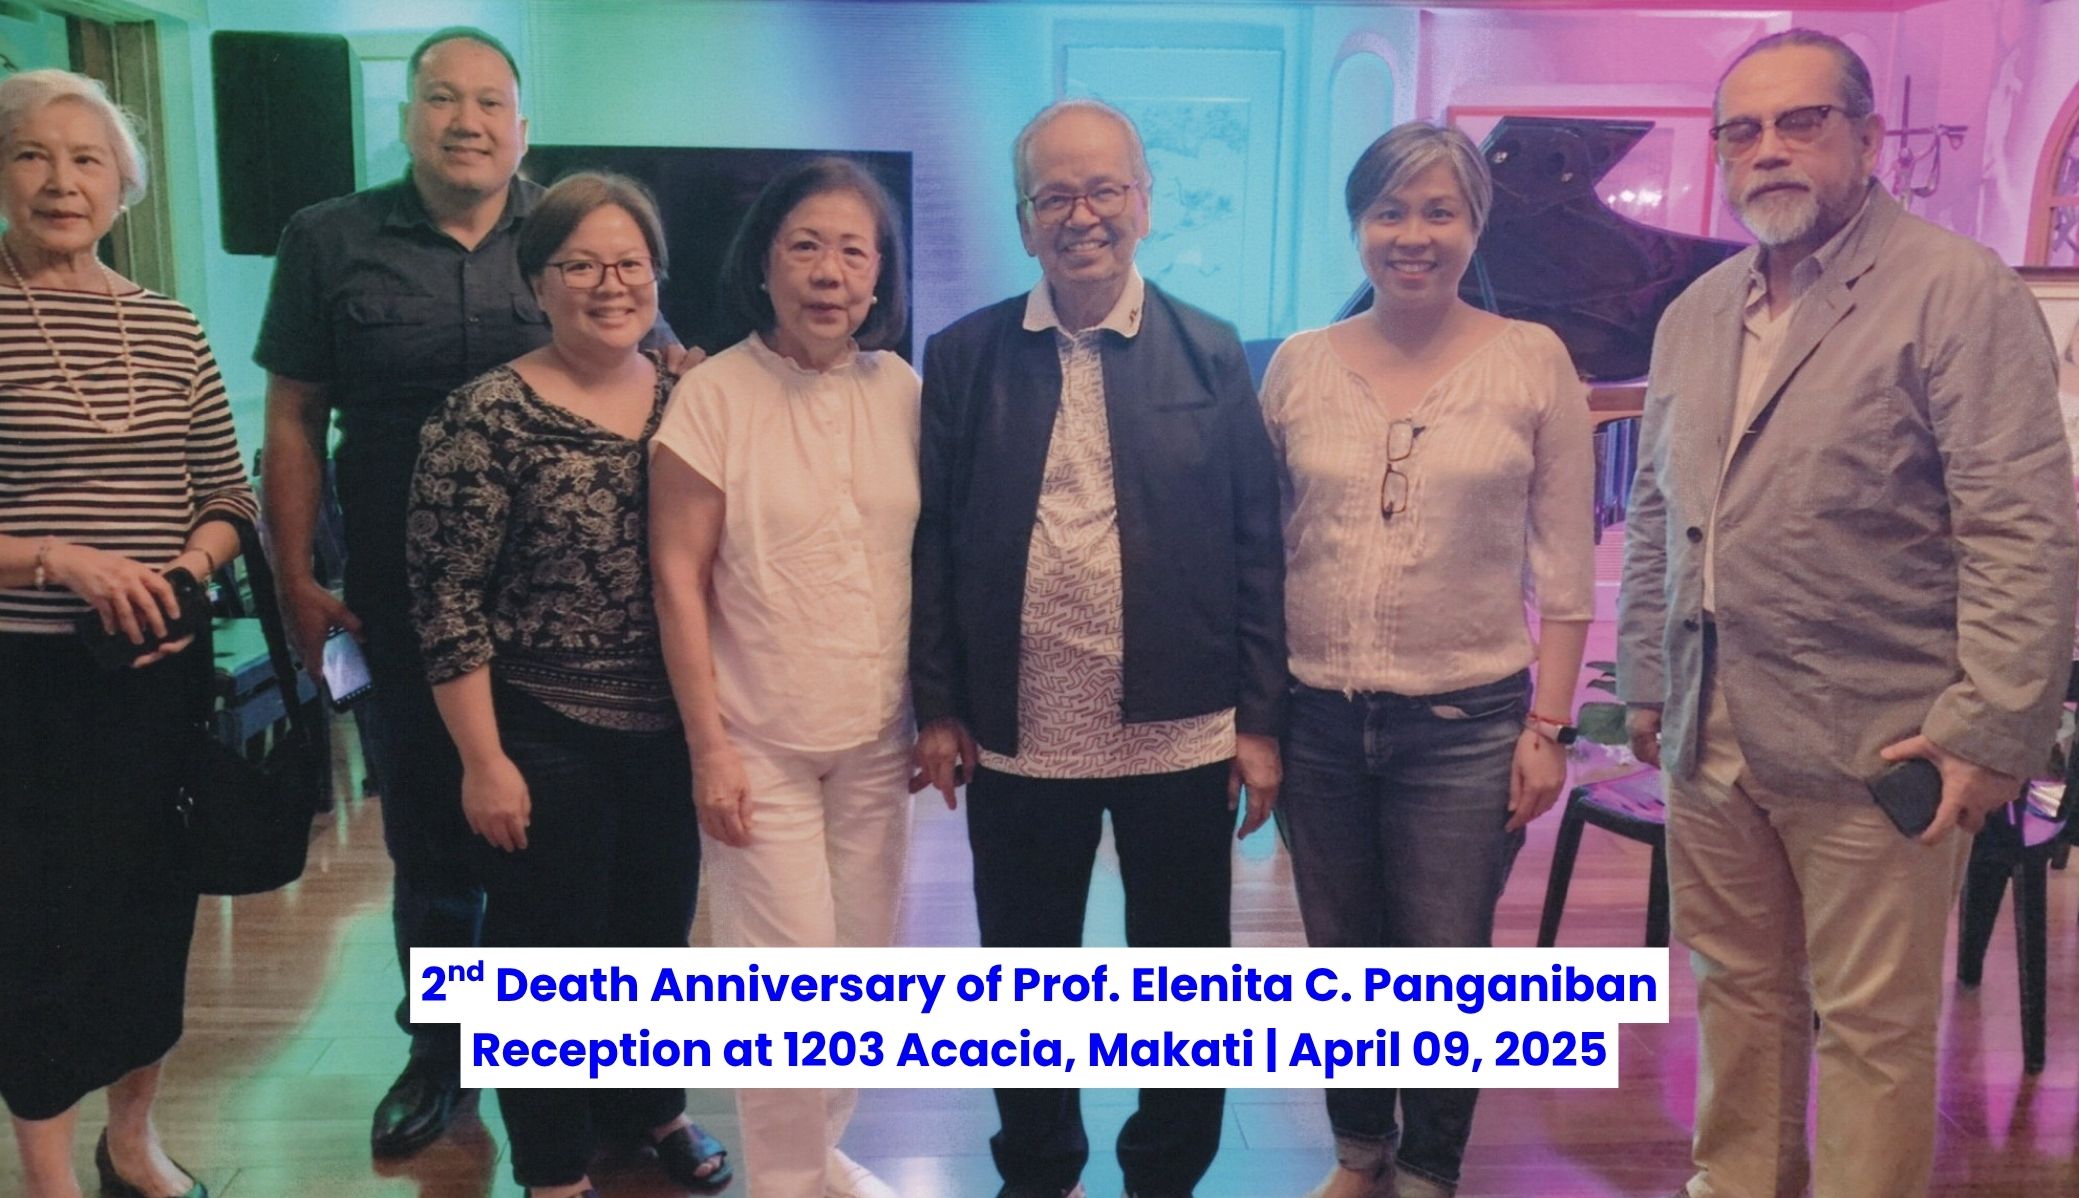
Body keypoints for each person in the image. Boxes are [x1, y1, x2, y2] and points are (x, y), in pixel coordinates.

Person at [1617, 29, 2079, 1198]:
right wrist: (1649, 680)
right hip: (1711, 728)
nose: (1768, 149)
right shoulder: (1695, 313)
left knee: (1872, 1031)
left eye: (1801, 122)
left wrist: (1992, 727)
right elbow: (1662, 511)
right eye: (1742, 131)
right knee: (1737, 991)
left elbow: (2022, 524)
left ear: (1868, 138)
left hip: (1881, 736)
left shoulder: (1954, 290)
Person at [254, 26, 688, 1158]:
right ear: (406, 116)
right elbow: (292, 417)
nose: (467, 121)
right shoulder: (328, 238)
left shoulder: (574, 233)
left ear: (521, 126)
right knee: (435, 833)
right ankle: (443, 1050)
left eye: (490, 102)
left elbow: (666, 367)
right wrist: (294, 575)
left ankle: (615, 1082)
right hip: (400, 597)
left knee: (577, 862)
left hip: (570, 615)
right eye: (442, 98)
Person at [909, 98, 1285, 1198]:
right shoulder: (965, 355)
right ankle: (1039, 1169)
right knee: (1023, 974)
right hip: (1019, 726)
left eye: (1104, 189)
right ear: (1024, 219)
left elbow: (1255, 542)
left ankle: (1165, 1174)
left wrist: (1260, 722)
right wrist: (939, 704)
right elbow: (933, 542)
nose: (1082, 215)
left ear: (1144, 203)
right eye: (1054, 195)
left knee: (1183, 977)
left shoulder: (1211, 350)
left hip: (1181, 724)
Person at [1262, 122, 1594, 1198]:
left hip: (1467, 724)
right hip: (1317, 716)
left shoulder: (1531, 359)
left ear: (1474, 224)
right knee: (1342, 956)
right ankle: (1359, 1151)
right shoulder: (1300, 364)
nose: (1413, 235)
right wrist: (1254, 718)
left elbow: (1567, 566)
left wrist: (1550, 727)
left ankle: (1428, 1166)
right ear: (1357, 225)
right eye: (1389, 211)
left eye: (1439, 211)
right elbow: (1260, 549)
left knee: (1445, 963)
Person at [406, 172, 728, 1198]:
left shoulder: (692, 398)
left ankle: (650, 1113)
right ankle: (550, 1166)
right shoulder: (481, 416)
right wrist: (483, 760)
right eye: (580, 264)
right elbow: (445, 600)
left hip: (669, 725)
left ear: (658, 276)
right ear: (536, 280)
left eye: (630, 263)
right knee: (546, 956)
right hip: (541, 729)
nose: (609, 283)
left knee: (655, 939)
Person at [0, 68, 255, 1198]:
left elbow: (229, 495)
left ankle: (130, 1139)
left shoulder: (166, 324)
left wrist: (184, 574)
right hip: (26, 679)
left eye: (87, 159)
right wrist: (57, 559)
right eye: (32, 155)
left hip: (157, 671)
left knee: (153, 912)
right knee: (39, 924)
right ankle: (47, 1170)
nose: (61, 181)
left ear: (124, 185)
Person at [650, 156, 914, 1198]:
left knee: (861, 974)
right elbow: (677, 579)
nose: (829, 271)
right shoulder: (713, 395)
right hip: (756, 740)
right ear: (764, 264)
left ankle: (820, 1154)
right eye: (805, 246)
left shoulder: (902, 391)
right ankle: (787, 1180)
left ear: (880, 275)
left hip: (877, 738)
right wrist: (707, 749)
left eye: (854, 250)